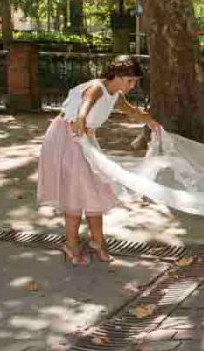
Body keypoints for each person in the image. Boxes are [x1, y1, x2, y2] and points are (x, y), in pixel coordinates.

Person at [37, 56, 159, 265]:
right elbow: (86, 103)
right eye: (130, 80)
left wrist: (151, 123)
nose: (132, 85)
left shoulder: (116, 95)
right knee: (75, 192)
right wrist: (81, 119)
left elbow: (132, 111)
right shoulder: (97, 88)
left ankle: (97, 242)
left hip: (86, 139)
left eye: (134, 81)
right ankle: (71, 245)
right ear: (117, 76)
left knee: (95, 189)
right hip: (67, 137)